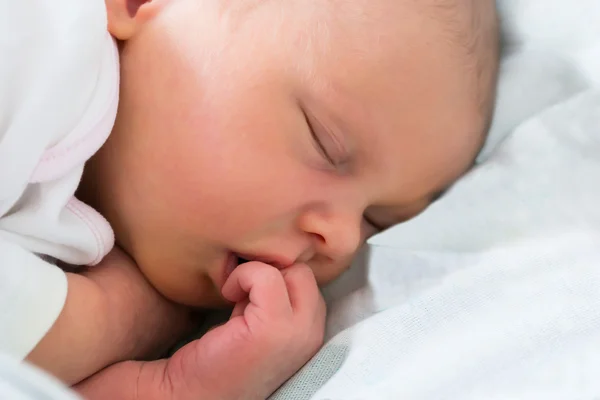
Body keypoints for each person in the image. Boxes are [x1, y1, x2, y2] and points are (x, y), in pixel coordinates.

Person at [0, 0, 500, 398]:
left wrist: (171, 389)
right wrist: (123, 315)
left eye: (377, 219)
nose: (344, 239)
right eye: (325, 143)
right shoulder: (41, 45)